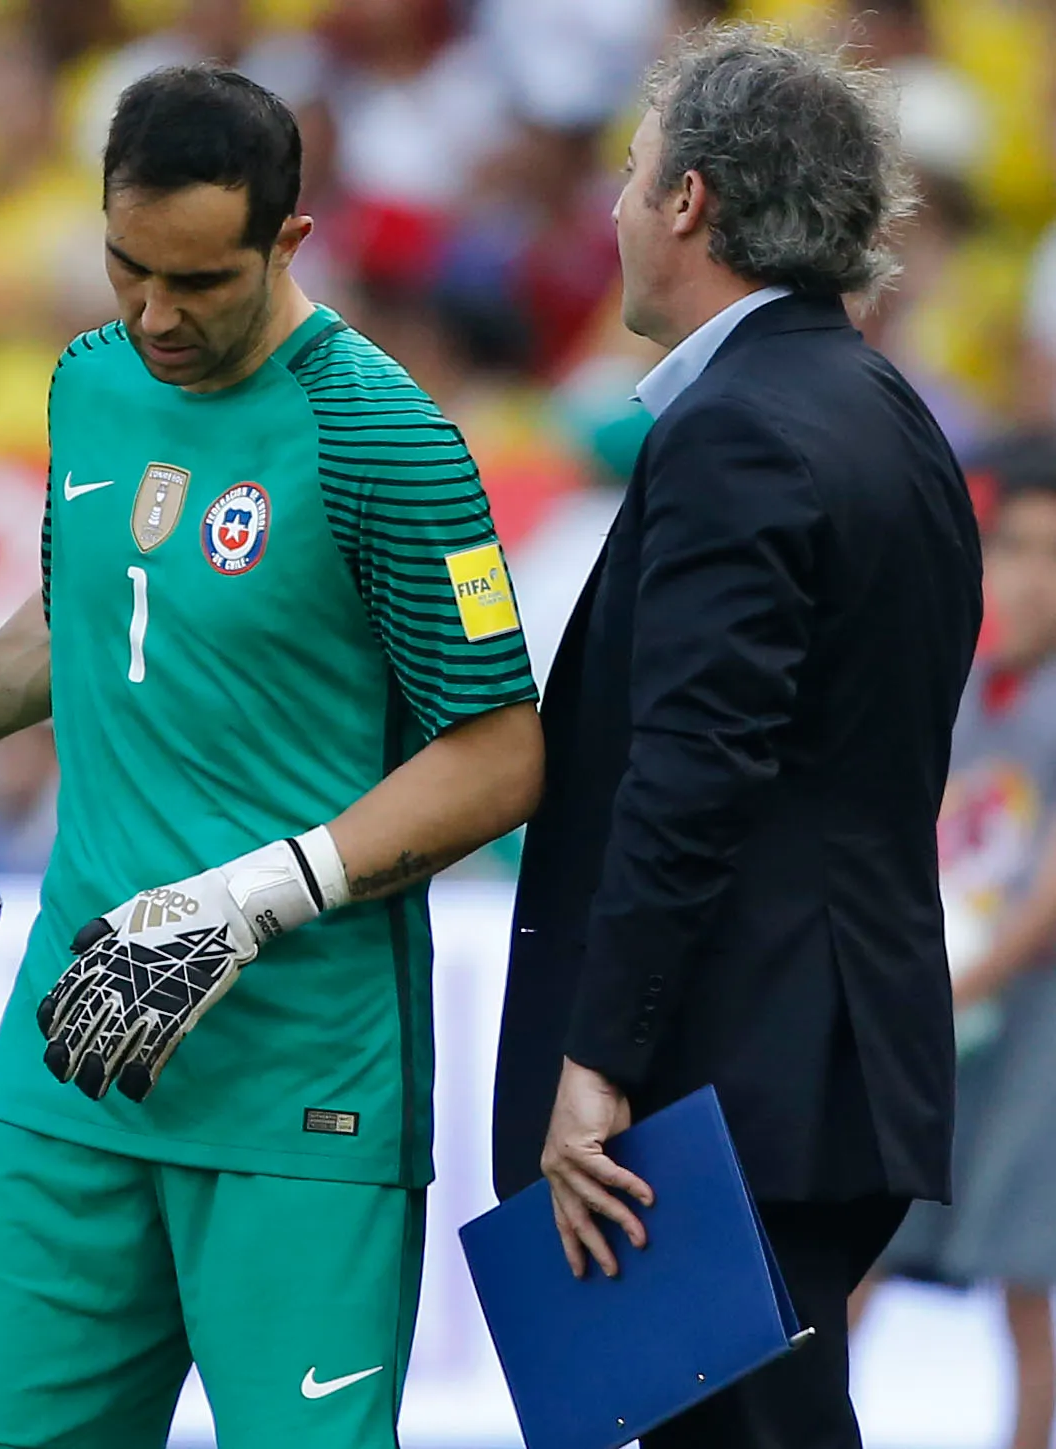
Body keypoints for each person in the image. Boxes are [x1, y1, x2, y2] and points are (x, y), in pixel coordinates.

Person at [0, 64, 545, 1449]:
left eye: (198, 281)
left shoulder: (385, 439)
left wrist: (242, 901)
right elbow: (89, 614)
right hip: (71, 1057)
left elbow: (501, 754)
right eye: (126, 267)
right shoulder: (89, 381)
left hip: (299, 1092)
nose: (153, 314)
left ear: (289, 244)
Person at [491, 26, 981, 1449]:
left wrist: (602, 1057)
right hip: (824, 1048)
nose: (615, 210)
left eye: (631, 178)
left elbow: (695, 770)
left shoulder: (740, 429)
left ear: (691, 200)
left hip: (723, 1072)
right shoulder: (885, 409)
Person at [862, 433, 1056, 1449]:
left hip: (1028, 1039)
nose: (1028, 580)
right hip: (941, 1024)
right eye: (1013, 549)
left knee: (1028, 1290)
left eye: (1051, 556)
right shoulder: (966, 693)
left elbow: (1046, 898)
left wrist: (946, 987)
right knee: (863, 1252)